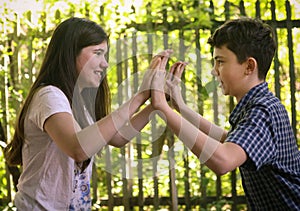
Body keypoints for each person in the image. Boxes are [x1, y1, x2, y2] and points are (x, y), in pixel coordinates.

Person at [4, 17, 172, 210]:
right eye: (97, 53)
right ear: (70, 53)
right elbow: (77, 149)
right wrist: (140, 96)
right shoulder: (49, 96)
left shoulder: (79, 102)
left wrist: (156, 104)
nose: (105, 64)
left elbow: (117, 136)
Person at [150, 17, 300, 210]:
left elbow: (223, 160)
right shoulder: (258, 104)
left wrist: (161, 106)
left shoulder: (262, 111)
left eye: (220, 62)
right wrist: (179, 107)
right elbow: (227, 140)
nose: (214, 71)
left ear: (249, 66)